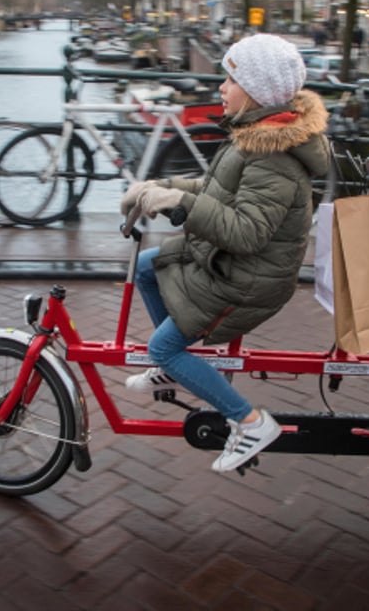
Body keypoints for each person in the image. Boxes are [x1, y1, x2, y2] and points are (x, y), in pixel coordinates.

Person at [120, 33, 330, 473]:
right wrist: (160, 189)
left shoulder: (274, 156)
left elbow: (247, 233)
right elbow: (215, 191)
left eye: (229, 79)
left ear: (254, 91)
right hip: (228, 262)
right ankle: (175, 366)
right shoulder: (254, 135)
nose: (220, 88)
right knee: (146, 268)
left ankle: (250, 423)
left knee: (163, 347)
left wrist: (180, 205)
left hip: (247, 280)